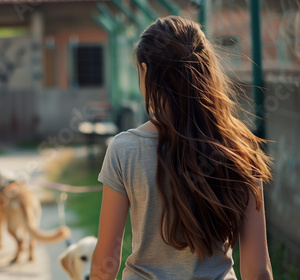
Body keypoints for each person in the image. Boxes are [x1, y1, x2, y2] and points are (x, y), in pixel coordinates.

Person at [90, 16, 273, 280]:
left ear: (144, 71)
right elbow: (258, 271)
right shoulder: (241, 149)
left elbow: (106, 263)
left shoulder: (124, 150)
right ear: (206, 70)